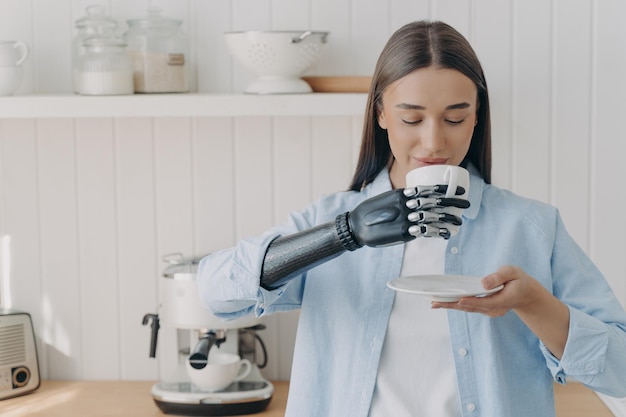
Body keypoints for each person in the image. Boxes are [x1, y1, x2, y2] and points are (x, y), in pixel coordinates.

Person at [197, 20, 626, 417]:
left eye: (455, 118)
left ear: (477, 116)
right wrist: (344, 234)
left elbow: (620, 371)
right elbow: (215, 293)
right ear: (381, 114)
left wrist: (534, 303)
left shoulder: (531, 228)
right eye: (411, 118)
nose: (434, 140)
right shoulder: (330, 217)